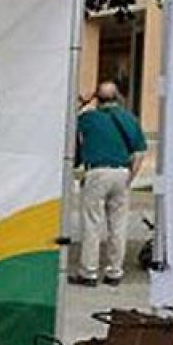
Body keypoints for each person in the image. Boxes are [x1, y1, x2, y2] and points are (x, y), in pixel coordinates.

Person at [73, 80, 148, 287]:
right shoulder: (130, 119)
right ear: (118, 97)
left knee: (92, 223)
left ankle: (89, 273)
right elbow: (140, 153)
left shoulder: (88, 118)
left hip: (97, 172)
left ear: (97, 99)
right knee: (118, 225)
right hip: (122, 173)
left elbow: (68, 121)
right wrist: (129, 178)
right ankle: (114, 272)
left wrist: (83, 102)